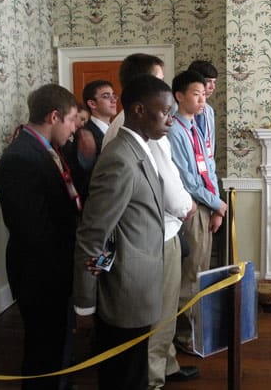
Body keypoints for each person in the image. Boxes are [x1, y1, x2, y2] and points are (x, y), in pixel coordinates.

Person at [74, 74, 174, 390]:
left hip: (141, 287)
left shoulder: (142, 147)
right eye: (165, 111)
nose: (170, 119)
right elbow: (92, 235)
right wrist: (85, 305)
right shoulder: (119, 158)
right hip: (123, 294)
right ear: (140, 110)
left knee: (135, 372)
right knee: (123, 377)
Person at [0, 84, 83, 390]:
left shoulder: (46, 149)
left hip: (55, 268)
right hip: (40, 272)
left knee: (58, 344)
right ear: (54, 116)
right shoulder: (20, 157)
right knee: (43, 350)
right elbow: (33, 230)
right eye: (72, 120)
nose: (75, 128)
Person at [167, 70, 228, 355]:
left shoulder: (197, 127)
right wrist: (216, 204)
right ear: (179, 96)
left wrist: (216, 203)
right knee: (190, 275)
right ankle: (182, 335)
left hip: (207, 205)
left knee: (201, 271)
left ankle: (193, 329)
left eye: (204, 94)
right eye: (196, 94)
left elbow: (209, 168)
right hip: (192, 209)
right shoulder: (175, 131)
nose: (202, 99)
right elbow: (187, 180)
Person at [62, 79, 117, 204]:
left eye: (114, 95)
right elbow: (87, 177)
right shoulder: (85, 135)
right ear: (92, 103)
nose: (113, 100)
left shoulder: (114, 130)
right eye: (106, 96)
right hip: (97, 203)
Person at [102, 53, 165, 150]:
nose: (163, 87)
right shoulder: (145, 123)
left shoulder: (125, 119)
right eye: (159, 81)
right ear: (143, 83)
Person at [188, 60, 218, 167]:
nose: (212, 87)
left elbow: (211, 141)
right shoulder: (176, 110)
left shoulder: (209, 111)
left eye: (214, 82)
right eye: (208, 81)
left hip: (206, 166)